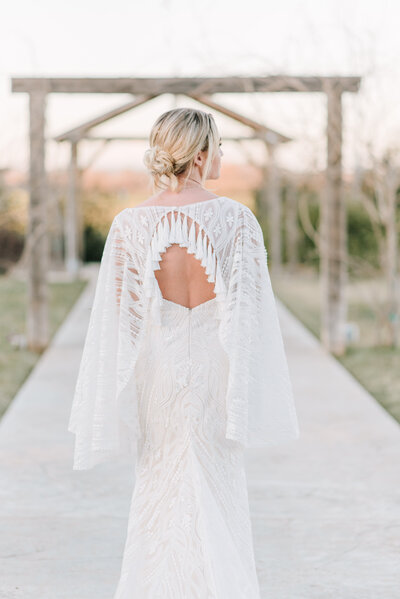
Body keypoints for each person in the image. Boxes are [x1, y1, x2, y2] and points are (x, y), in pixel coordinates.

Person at [68, 107, 300, 598]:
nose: (223, 154)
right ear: (199, 154)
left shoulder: (129, 225)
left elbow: (123, 318)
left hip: (160, 375)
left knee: (160, 485)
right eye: (218, 145)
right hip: (216, 374)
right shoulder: (236, 220)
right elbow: (250, 318)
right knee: (216, 485)